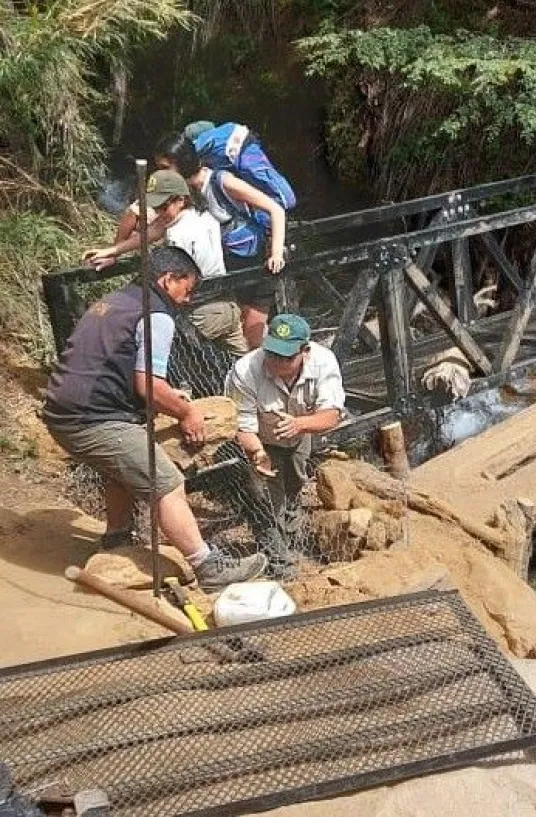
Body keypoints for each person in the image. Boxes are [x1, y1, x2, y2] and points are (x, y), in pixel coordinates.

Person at [42, 246, 268, 591]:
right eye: (187, 289)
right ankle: (207, 566)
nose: (187, 299)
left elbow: (122, 369)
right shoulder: (156, 314)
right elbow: (148, 384)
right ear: (168, 279)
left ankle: (117, 540)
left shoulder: (116, 300)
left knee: (123, 468)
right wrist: (186, 411)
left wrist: (166, 399)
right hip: (91, 418)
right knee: (167, 483)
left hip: (65, 410)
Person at [225, 314, 345, 574]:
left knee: (292, 489)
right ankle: (279, 563)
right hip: (259, 440)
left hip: (300, 436)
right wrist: (257, 452)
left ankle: (289, 541)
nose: (276, 363)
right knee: (264, 499)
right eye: (272, 354)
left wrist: (300, 425)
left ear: (305, 350)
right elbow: (242, 425)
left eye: (286, 357)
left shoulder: (324, 362)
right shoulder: (245, 370)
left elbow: (332, 414)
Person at [84, 170, 248, 355]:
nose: (158, 212)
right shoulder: (201, 214)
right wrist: (112, 251)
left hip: (201, 311)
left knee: (168, 355)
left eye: (162, 206)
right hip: (227, 303)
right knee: (241, 360)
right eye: (155, 207)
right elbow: (153, 232)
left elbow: (176, 280)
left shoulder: (179, 235)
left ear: (180, 200)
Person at [154, 133, 288, 349]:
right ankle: (255, 377)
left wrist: (276, 253)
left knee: (253, 337)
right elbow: (158, 225)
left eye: (164, 167)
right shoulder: (185, 193)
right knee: (242, 336)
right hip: (230, 270)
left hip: (257, 263)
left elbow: (275, 209)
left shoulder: (222, 181)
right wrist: (114, 250)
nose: (160, 174)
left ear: (180, 163)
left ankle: (274, 372)